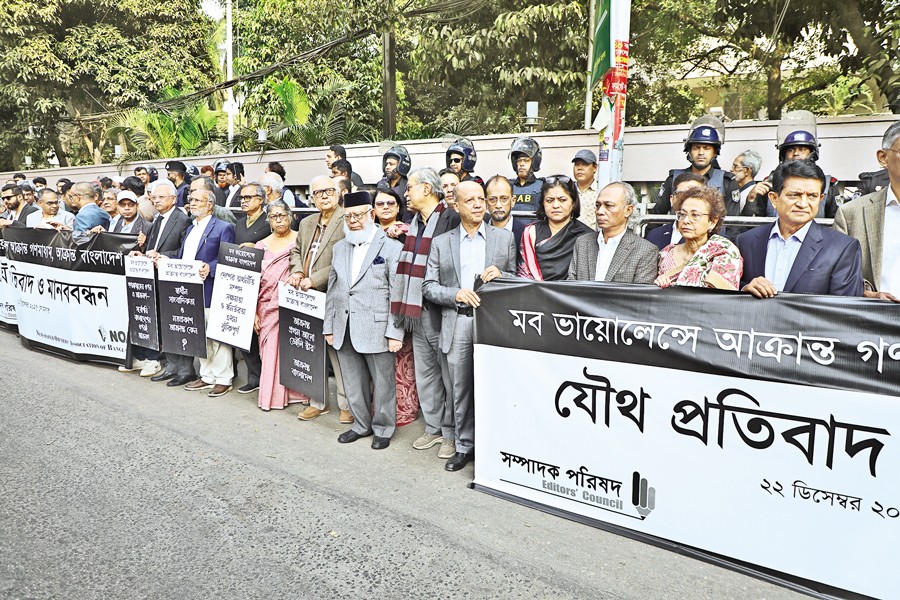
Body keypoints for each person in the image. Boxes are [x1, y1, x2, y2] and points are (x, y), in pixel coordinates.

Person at [423, 181, 516, 471]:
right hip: (459, 321)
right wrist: (454, 294)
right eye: (470, 200)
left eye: (481, 199)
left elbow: (517, 277)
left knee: (495, 388)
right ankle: (464, 447)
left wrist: (502, 274)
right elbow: (428, 287)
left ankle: (494, 446)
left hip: (493, 325)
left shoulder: (504, 239)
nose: (478, 204)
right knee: (460, 390)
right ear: (457, 206)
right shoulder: (441, 242)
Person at [323, 191, 404, 449]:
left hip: (378, 327)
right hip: (343, 326)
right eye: (348, 216)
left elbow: (398, 293)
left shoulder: (392, 248)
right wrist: (329, 325)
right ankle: (361, 425)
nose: (353, 220)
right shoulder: (340, 247)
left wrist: (395, 332)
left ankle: (383, 428)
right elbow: (333, 290)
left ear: (372, 214)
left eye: (358, 215)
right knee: (352, 380)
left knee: (383, 383)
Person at [394, 167, 460, 460]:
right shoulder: (414, 223)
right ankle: (433, 428)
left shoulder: (451, 219)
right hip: (416, 312)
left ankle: (451, 433)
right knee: (427, 375)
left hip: (443, 311)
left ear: (426, 189)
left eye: (410, 187)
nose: (406, 193)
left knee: (450, 377)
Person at [737, 160, 863, 298]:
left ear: (820, 199)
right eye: (794, 195)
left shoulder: (842, 248)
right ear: (774, 198)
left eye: (812, 196)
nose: (803, 204)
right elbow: (730, 291)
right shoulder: (746, 241)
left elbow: (844, 310)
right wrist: (745, 289)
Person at [287, 175, 352, 423]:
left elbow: (343, 260)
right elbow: (296, 251)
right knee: (311, 349)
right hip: (305, 297)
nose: (324, 196)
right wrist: (297, 272)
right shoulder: (306, 222)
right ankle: (317, 400)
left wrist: (315, 279)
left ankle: (346, 404)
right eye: (318, 192)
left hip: (332, 294)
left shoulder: (346, 219)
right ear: (311, 197)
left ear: (338, 193)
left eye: (328, 191)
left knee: (337, 351)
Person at [832, 122, 900, 302]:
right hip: (875, 320)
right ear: (883, 157)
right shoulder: (851, 214)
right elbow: (838, 274)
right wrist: (868, 294)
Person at [178, 188, 236, 397]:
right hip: (190, 289)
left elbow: (229, 258)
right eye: (191, 200)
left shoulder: (223, 228)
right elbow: (184, 256)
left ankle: (223, 378)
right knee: (199, 334)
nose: (192, 203)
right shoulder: (191, 228)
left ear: (210, 204)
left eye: (197, 200)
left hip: (212, 288)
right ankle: (207, 375)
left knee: (217, 335)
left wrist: (211, 267)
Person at [252, 200, 304, 410]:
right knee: (269, 349)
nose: (279, 219)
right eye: (274, 216)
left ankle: (296, 393)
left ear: (290, 216)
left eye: (282, 215)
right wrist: (254, 312)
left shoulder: (300, 240)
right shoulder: (261, 245)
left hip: (292, 304)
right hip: (266, 306)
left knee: (292, 349)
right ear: (269, 220)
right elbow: (254, 282)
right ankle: (272, 396)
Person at [140, 181, 194, 385]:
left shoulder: (182, 220)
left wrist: (163, 256)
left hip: (175, 279)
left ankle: (186, 370)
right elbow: (154, 246)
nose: (156, 200)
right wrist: (144, 252)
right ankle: (171, 366)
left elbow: (183, 252)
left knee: (179, 325)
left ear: (173, 198)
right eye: (154, 197)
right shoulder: (158, 220)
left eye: (161, 197)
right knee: (164, 324)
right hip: (156, 276)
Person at [371, 185, 417, 426]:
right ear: (374, 209)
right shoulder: (367, 233)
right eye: (380, 204)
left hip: (401, 304)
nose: (386, 207)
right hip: (373, 309)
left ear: (399, 208)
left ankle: (405, 410)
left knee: (402, 360)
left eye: (391, 203)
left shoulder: (409, 232)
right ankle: (380, 410)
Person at [750, 111, 840, 218]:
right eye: (791, 150)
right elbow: (753, 222)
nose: (796, 153)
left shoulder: (828, 186)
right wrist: (751, 199)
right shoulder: (770, 183)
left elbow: (836, 222)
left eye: (802, 149)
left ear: (812, 154)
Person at [652, 116, 748, 216]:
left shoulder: (727, 181)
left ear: (715, 152)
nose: (701, 152)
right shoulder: (673, 179)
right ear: (689, 151)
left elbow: (733, 224)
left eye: (706, 148)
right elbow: (657, 216)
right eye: (696, 148)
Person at [568, 182, 658, 284]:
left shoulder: (645, 251)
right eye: (598, 205)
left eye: (609, 206)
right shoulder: (583, 243)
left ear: (628, 210)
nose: (600, 211)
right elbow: (570, 287)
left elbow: (639, 296)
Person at [655, 187, 742, 289]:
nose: (686, 220)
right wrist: (658, 284)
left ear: (712, 222)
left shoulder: (723, 251)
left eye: (695, 215)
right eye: (682, 214)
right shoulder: (666, 252)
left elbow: (721, 297)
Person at [233, 183, 272, 394]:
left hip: (265, 283)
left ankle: (268, 376)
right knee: (245, 332)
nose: (244, 200)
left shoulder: (269, 221)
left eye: (249, 197)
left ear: (261, 199)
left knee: (263, 334)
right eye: (241, 197)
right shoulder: (239, 223)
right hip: (242, 282)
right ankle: (254, 375)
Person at [517, 175, 593, 281]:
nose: (555, 205)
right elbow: (524, 274)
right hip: (534, 293)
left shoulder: (586, 236)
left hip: (570, 294)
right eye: (549, 200)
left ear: (573, 203)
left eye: (562, 200)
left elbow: (585, 277)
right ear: (542, 203)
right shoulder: (531, 231)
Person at [646, 173, 706, 250]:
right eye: (681, 194)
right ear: (672, 200)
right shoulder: (655, 235)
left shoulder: (717, 240)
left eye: (694, 195)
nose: (687, 200)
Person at [485, 175, 526, 262]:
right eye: (493, 199)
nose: (498, 205)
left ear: (513, 201)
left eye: (504, 199)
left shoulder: (525, 233)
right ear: (486, 203)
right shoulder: (479, 232)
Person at [508, 137, 543, 211]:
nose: (521, 164)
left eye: (526, 161)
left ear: (534, 162)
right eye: (519, 161)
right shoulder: (507, 186)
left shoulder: (543, 187)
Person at [572, 149, 599, 229]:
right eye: (577, 165)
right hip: (569, 239)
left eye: (585, 165)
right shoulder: (568, 191)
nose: (580, 168)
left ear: (595, 168)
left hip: (591, 239)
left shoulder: (600, 192)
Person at [730, 150, 763, 215]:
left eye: (735, 166)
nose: (731, 169)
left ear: (747, 171)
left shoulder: (756, 194)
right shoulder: (736, 190)